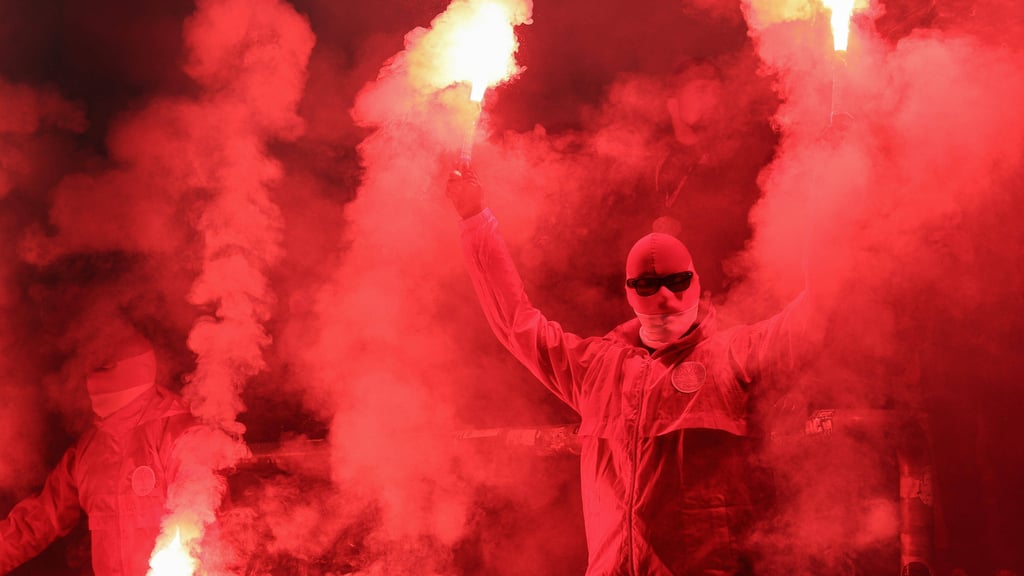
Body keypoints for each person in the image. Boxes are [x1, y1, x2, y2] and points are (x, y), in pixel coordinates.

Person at [446, 166, 823, 575]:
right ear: (630, 291)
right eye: (647, 285)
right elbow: (516, 323)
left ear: (695, 282)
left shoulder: (734, 356)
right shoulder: (599, 369)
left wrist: (830, 184)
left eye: (677, 282)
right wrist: (475, 220)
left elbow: (818, 308)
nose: (664, 297)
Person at [0, 331, 197, 575]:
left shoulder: (180, 434)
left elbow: (206, 527)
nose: (91, 379)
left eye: (102, 367)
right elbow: (38, 521)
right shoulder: (89, 450)